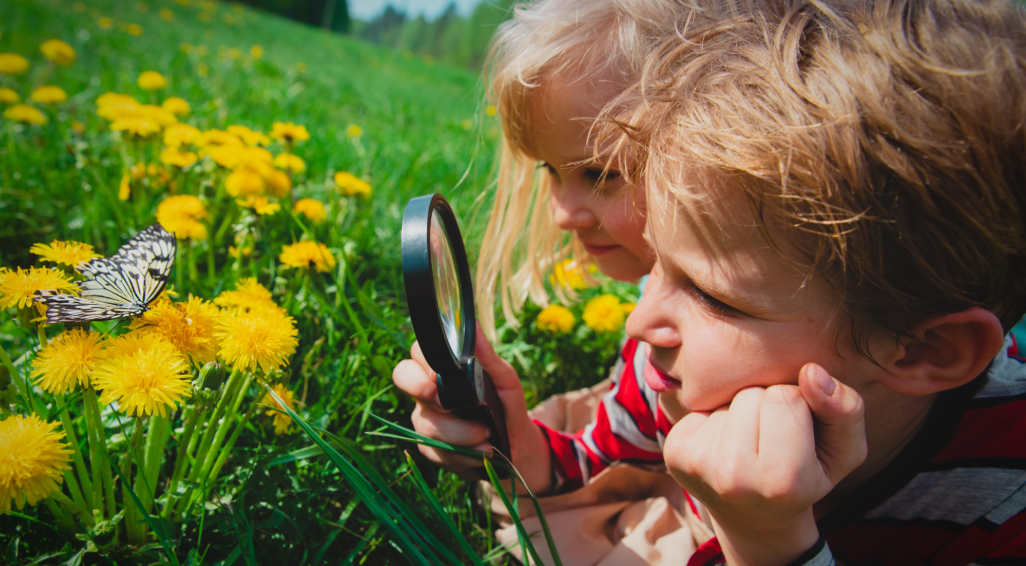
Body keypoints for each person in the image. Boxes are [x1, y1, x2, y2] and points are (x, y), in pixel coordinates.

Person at [400, 0, 1026, 564]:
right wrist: (524, 454)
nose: (637, 321)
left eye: (712, 295)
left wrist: (769, 546)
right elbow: (611, 450)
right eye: (657, 265)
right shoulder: (676, 361)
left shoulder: (1001, 509)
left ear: (924, 350)